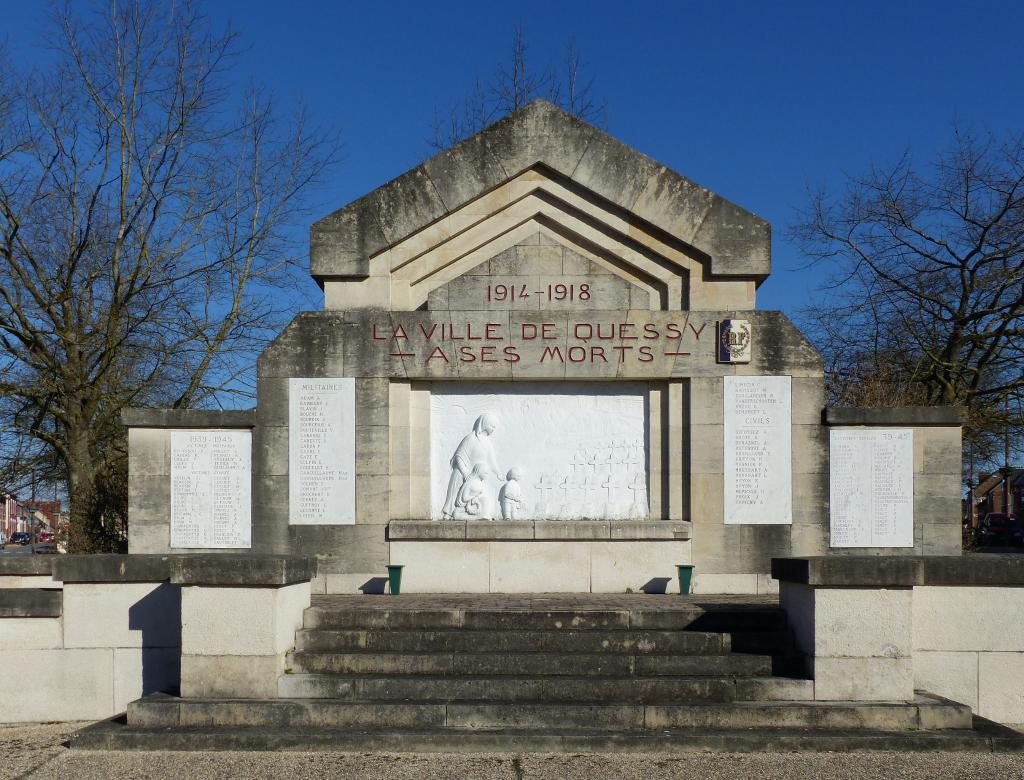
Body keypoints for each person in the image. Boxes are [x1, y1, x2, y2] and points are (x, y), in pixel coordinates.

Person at [442, 413, 501, 520]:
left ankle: (476, 513)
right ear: (485, 424)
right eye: (492, 426)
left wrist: (498, 473)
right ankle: (449, 513)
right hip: (464, 472)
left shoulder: (487, 442)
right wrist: (465, 472)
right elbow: (458, 456)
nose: (493, 429)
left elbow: (492, 461)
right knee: (458, 492)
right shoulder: (471, 438)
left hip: (479, 474)